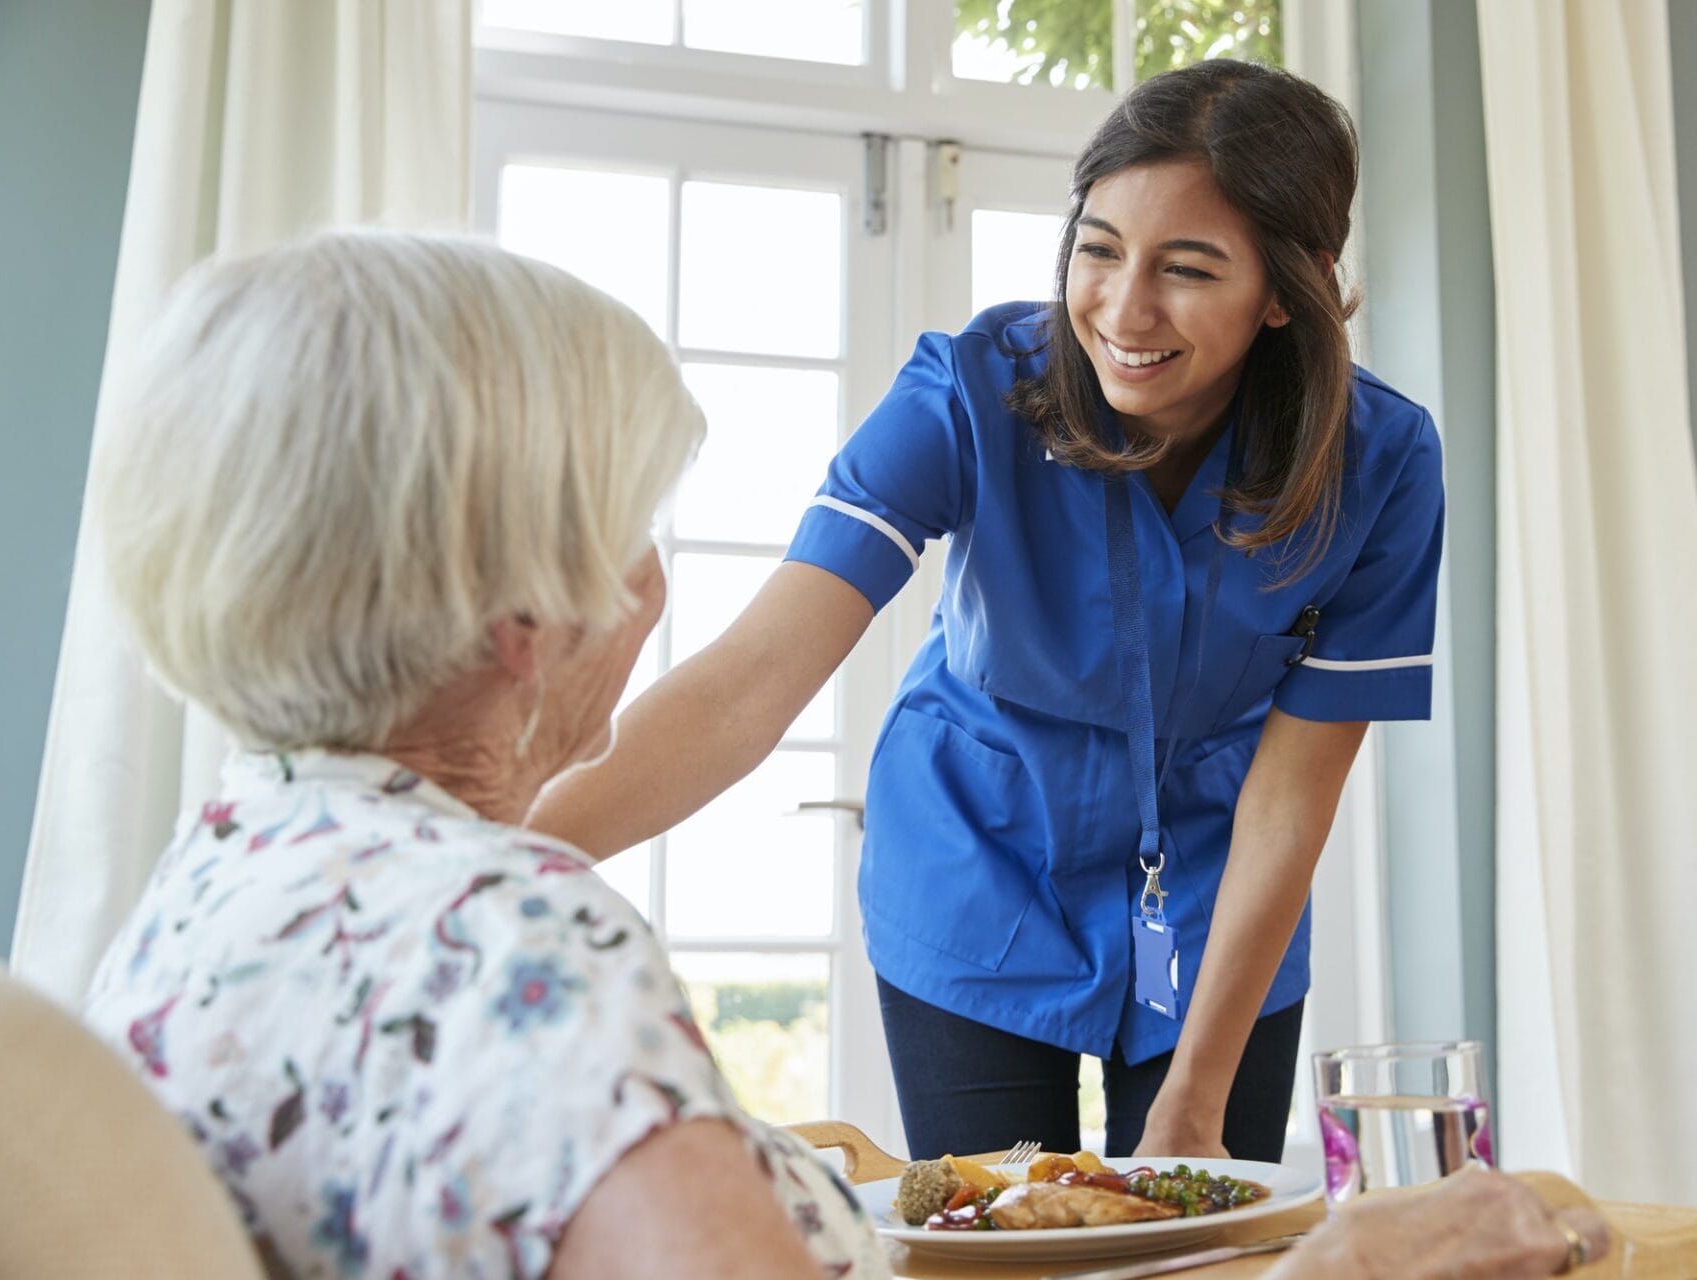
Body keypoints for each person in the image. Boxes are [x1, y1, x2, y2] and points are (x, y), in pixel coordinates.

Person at [533, 57, 1443, 1166]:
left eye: (1189, 269)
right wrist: (488, 853)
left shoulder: (1380, 464)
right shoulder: (967, 391)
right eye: (1099, 249)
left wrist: (1196, 1096)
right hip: (975, 866)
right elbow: (747, 685)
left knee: (1195, 1243)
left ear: (1286, 293)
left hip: (1220, 895)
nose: (1124, 307)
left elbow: (1291, 800)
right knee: (999, 1242)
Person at [79, 231, 888, 1280]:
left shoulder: (211, 877)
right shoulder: (510, 938)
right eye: (633, 526)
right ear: (528, 608)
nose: (651, 580)